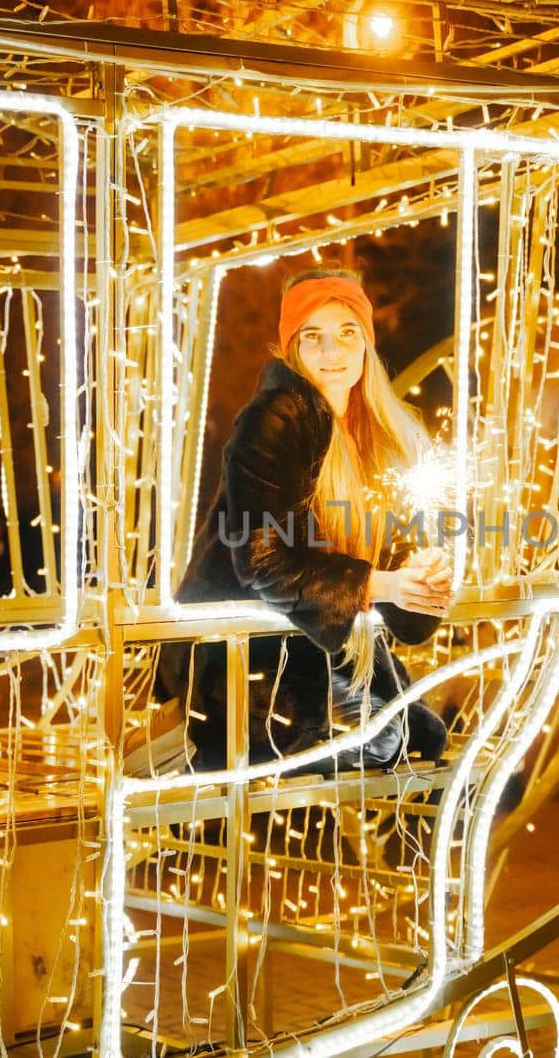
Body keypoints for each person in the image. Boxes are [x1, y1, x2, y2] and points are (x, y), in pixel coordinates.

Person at [135, 268, 453, 775]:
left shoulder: (384, 432)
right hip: (245, 662)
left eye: (348, 333)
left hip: (314, 645)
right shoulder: (277, 417)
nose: (334, 352)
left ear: (366, 343)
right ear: (292, 349)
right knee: (383, 744)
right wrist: (382, 583)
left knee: (413, 739)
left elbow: (396, 565)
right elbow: (262, 560)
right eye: (314, 336)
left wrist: (424, 573)